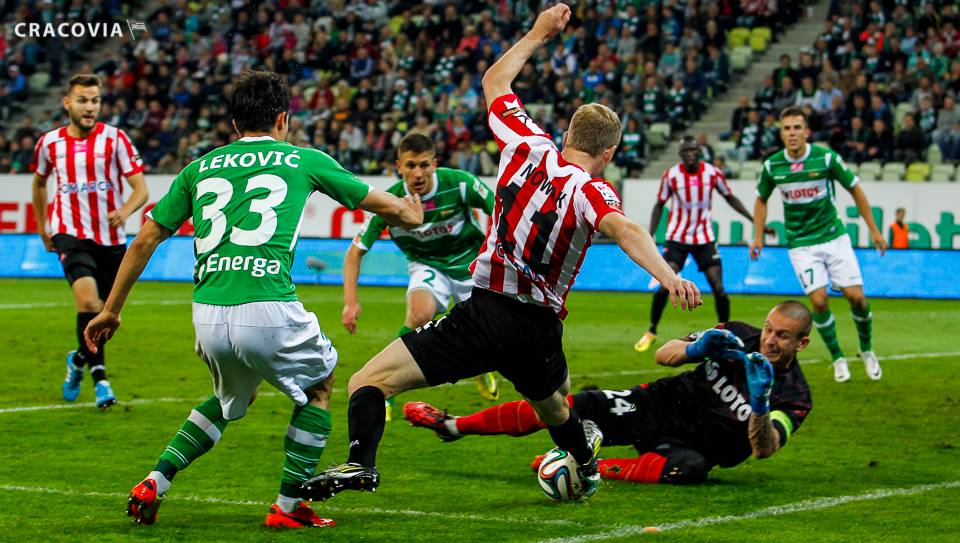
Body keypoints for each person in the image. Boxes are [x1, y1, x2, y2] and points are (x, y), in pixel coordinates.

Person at [300, 4, 701, 504]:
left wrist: (538, 33)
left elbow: (494, 82)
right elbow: (624, 229)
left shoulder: (527, 144)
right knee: (555, 408)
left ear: (568, 134)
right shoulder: (592, 190)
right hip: (536, 329)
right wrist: (667, 275)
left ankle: (361, 464)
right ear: (608, 154)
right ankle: (586, 466)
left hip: (482, 312)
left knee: (368, 381)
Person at [83, 71, 423, 528]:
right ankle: (287, 507)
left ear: (234, 123)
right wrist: (412, 212)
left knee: (227, 400)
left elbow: (145, 238)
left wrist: (111, 310)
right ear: (283, 118)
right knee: (320, 388)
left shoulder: (198, 168)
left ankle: (155, 480)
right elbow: (387, 206)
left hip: (207, 312)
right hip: (267, 305)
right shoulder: (303, 159)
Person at [406, 301, 813, 485]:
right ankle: (452, 425)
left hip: (696, 446)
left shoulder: (794, 396)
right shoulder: (740, 334)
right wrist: (694, 349)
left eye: (783, 336)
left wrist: (760, 404)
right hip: (656, 404)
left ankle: (587, 464)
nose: (770, 341)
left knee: (689, 470)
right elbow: (663, 354)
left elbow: (764, 449)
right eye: (769, 329)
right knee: (565, 406)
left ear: (803, 344)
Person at [343, 133, 500, 418]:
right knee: (419, 315)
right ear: (398, 167)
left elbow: (500, 210)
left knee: (486, 328)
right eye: (411, 165)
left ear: (435, 164)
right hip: (427, 265)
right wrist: (350, 302)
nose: (418, 173)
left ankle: (482, 369)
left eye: (425, 165)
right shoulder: (388, 202)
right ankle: (382, 388)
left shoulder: (460, 183)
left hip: (471, 263)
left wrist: (497, 247)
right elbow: (354, 253)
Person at [30, 74, 149, 410]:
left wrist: (125, 210)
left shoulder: (116, 140)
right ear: (67, 102)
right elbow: (39, 184)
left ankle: (78, 361)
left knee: (106, 316)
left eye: (95, 100)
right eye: (82, 99)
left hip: (110, 239)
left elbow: (141, 189)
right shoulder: (49, 143)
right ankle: (101, 380)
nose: (90, 107)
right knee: (87, 304)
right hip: (69, 233)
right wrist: (43, 226)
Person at [750, 106, 887, 383]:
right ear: (781, 133)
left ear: (806, 131)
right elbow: (761, 199)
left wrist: (874, 230)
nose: (792, 133)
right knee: (819, 301)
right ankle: (837, 357)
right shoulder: (772, 165)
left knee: (857, 298)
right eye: (787, 128)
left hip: (834, 237)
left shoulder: (825, 158)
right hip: (801, 244)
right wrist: (758, 235)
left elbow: (855, 189)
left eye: (797, 127)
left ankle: (866, 349)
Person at [634, 135, 773, 353]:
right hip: (677, 238)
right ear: (681, 155)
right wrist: (650, 235)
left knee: (718, 287)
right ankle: (651, 330)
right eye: (685, 151)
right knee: (664, 285)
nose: (690, 155)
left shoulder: (712, 173)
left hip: (704, 238)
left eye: (693, 151)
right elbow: (659, 205)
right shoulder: (671, 176)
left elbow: (731, 198)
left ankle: (726, 332)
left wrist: (758, 225)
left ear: (699, 152)